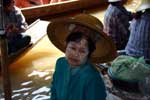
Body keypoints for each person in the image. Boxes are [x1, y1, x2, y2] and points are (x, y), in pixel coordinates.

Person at [47, 14, 117, 100]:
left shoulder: (92, 77)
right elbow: (54, 89)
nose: (76, 54)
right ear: (66, 45)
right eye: (72, 48)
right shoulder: (60, 63)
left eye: (82, 51)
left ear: (89, 54)